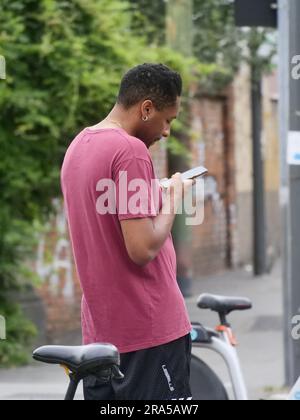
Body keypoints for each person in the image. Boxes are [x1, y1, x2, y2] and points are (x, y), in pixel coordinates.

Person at [61, 63, 193, 400]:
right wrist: (173, 199)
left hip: (100, 337)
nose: (166, 132)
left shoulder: (78, 146)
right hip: (149, 334)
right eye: (168, 120)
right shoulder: (130, 150)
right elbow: (142, 248)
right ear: (146, 108)